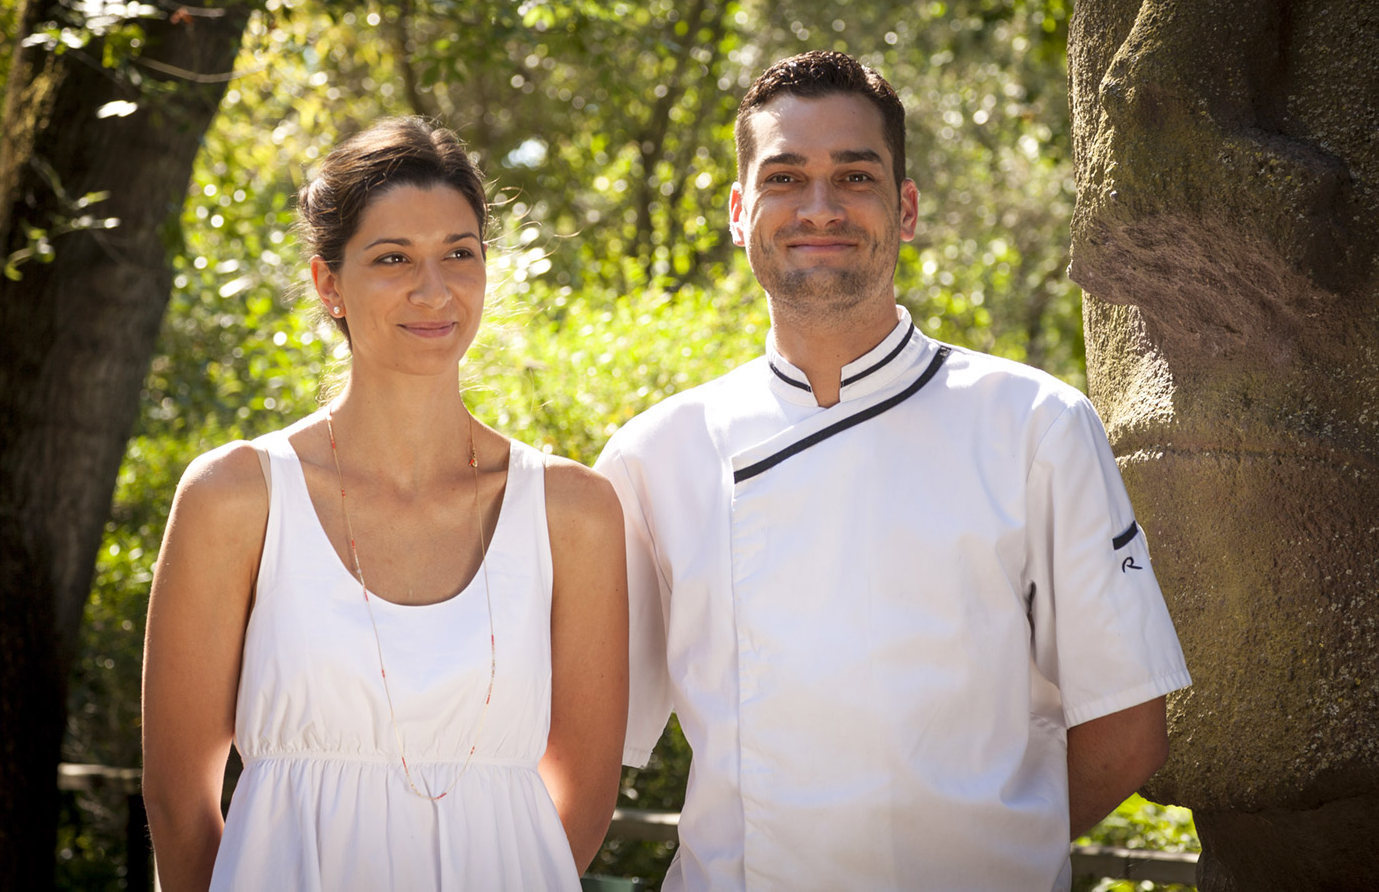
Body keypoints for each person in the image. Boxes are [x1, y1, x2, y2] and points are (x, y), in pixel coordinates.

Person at [594, 51, 1192, 891]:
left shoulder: (1036, 424)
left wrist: (989, 853)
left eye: (855, 176)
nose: (820, 207)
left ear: (904, 208)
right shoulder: (653, 457)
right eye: (785, 177)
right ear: (739, 212)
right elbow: (583, 738)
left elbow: (1129, 725)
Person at [142, 116, 627, 892]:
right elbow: (177, 799)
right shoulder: (234, 497)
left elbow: (586, 791)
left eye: (459, 255)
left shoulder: (574, 511)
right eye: (393, 257)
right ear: (328, 283)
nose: (434, 290)